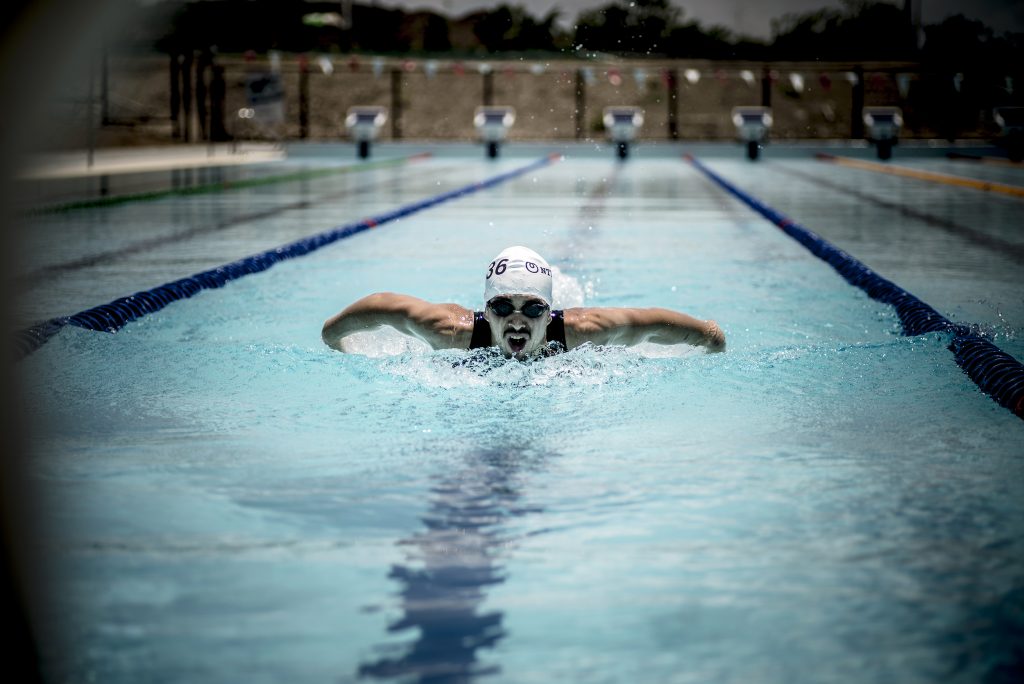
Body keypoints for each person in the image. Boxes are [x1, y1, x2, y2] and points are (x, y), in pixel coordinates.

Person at [322, 246, 725, 359]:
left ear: (548, 312)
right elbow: (381, 305)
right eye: (502, 307)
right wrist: (333, 337)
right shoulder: (451, 330)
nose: (517, 320)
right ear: (485, 310)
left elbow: (647, 321)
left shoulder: (582, 330)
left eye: (532, 308)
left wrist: (708, 336)